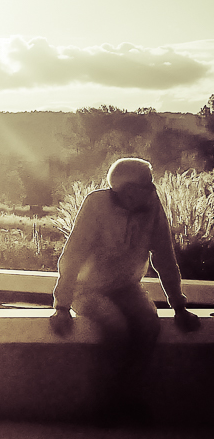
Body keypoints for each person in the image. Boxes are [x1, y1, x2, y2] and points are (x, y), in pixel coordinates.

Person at [50, 157, 200, 418]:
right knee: (115, 327)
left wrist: (179, 305)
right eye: (148, 184)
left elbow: (164, 256)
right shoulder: (96, 204)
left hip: (126, 287)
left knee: (149, 324)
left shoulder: (152, 206)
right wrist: (62, 305)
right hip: (86, 289)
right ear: (129, 190)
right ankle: (104, 403)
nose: (154, 189)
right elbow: (72, 255)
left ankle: (126, 397)